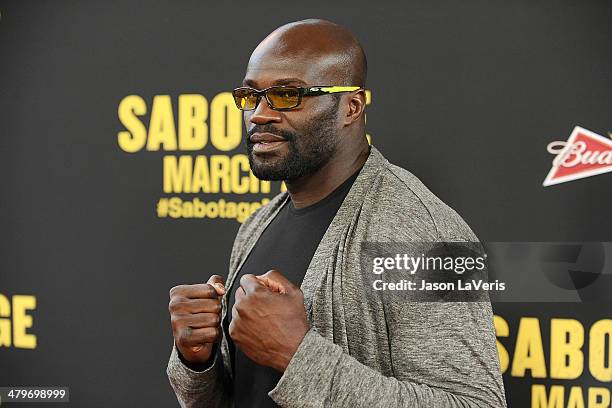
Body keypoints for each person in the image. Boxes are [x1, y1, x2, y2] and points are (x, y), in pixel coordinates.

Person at [166, 18, 507, 408]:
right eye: (251, 95)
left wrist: (298, 355)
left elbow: (474, 404)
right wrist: (199, 361)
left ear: (352, 106)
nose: (259, 114)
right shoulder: (257, 224)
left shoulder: (423, 232)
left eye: (288, 95)